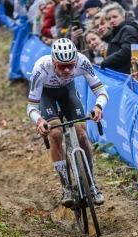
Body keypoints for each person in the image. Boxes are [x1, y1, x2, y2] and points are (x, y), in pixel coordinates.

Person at [27, 38, 108, 206]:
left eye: (70, 65)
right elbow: (31, 107)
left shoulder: (82, 62)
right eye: (61, 66)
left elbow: (101, 91)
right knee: (55, 134)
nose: (66, 70)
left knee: (82, 134)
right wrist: (40, 120)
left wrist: (98, 106)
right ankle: (66, 187)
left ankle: (92, 184)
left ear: (75, 61)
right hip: (46, 95)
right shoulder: (41, 68)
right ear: (53, 61)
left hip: (67, 92)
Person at [100, 2, 138, 87]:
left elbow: (126, 50)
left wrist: (105, 62)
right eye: (109, 19)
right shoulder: (118, 31)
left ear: (123, 17)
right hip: (125, 78)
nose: (112, 20)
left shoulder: (127, 29)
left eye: (115, 17)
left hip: (131, 78)